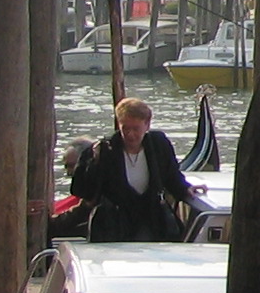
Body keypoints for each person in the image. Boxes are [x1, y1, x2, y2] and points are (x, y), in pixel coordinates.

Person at [72, 98, 200, 242]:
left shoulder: (159, 144)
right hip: (114, 223)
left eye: (136, 129)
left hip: (150, 217)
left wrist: (185, 188)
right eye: (125, 128)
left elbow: (171, 175)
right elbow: (80, 190)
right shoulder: (104, 149)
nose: (130, 134)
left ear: (147, 125)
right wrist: (94, 162)